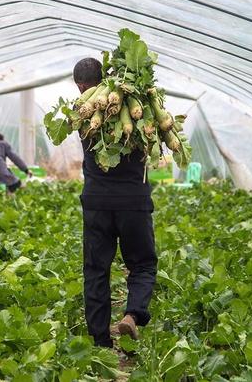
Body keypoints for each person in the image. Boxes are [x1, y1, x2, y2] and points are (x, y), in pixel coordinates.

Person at [73, 57, 158, 348]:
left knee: (96, 270)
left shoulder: (81, 113)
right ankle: (133, 314)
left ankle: (100, 342)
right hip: (134, 199)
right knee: (143, 264)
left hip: (96, 200)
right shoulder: (140, 105)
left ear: (80, 86)